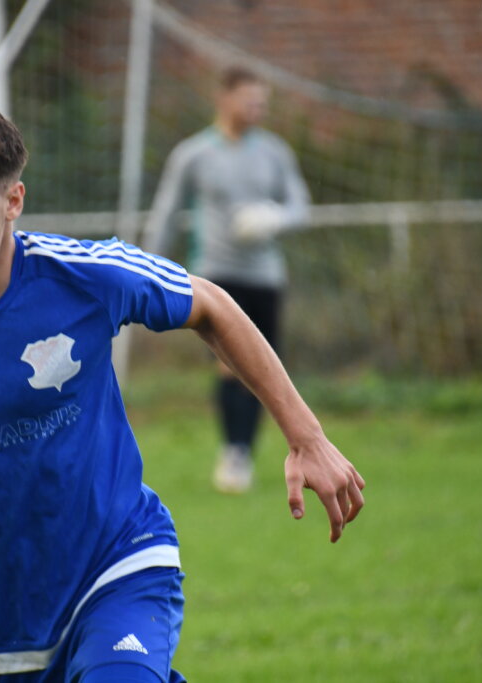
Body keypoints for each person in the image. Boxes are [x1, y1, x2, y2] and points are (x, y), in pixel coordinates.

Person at [0, 91, 363, 683]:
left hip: (122, 560)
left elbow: (208, 304)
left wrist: (306, 438)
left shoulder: (81, 275)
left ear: (13, 201)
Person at [143, 66, 312, 494]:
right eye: (250, 100)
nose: (258, 109)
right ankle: (233, 452)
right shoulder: (194, 154)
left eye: (263, 102)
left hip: (264, 276)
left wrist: (274, 217)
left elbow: (300, 205)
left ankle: (244, 452)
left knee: (263, 367)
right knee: (228, 364)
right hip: (216, 276)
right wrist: (144, 267)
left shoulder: (275, 152)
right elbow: (166, 211)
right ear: (225, 99)